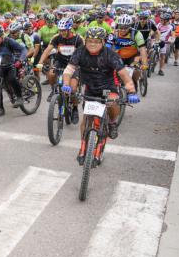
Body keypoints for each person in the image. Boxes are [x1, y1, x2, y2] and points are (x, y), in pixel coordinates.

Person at [61, 28, 140, 165]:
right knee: (86, 119)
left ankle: (112, 122)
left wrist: (131, 91)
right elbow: (69, 70)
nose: (92, 44)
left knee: (113, 102)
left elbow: (124, 75)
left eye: (96, 41)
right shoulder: (80, 52)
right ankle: (83, 146)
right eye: (89, 41)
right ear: (85, 41)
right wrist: (66, 84)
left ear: (103, 42)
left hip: (108, 88)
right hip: (90, 88)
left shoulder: (111, 55)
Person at [37, 18, 84, 118]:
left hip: (73, 64)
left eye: (64, 30)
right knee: (50, 73)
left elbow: (82, 55)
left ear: (69, 29)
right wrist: (40, 62)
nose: (62, 32)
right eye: (60, 30)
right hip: (60, 62)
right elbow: (47, 51)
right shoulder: (57, 38)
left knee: (73, 90)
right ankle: (54, 90)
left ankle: (75, 108)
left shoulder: (78, 39)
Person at [107, 15, 148, 87]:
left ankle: (134, 82)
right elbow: (107, 48)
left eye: (125, 28)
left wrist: (145, 64)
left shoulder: (136, 33)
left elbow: (142, 49)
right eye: (121, 27)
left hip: (133, 56)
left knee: (136, 70)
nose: (123, 30)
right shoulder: (113, 34)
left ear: (130, 26)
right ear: (118, 26)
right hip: (119, 56)